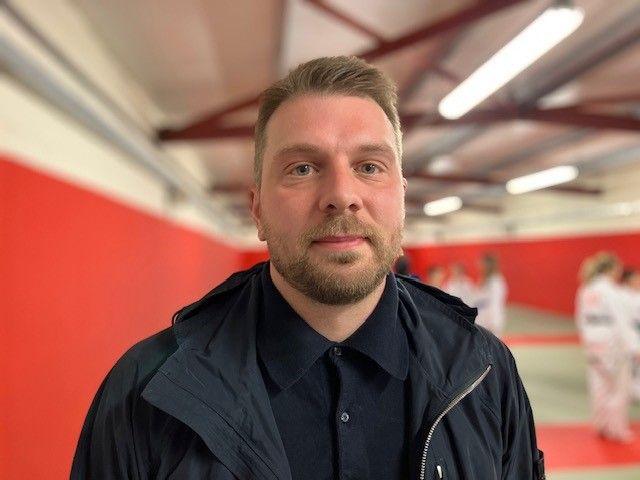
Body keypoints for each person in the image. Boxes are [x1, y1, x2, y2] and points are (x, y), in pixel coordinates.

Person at [71, 56, 544, 479]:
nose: (341, 193)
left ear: (401, 197)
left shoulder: (484, 372)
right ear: (256, 210)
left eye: (369, 166)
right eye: (302, 168)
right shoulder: (146, 392)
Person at [575, 252, 636, 442]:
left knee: (599, 385)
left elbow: (580, 318)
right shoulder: (610, 291)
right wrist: (633, 347)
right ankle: (616, 429)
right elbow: (621, 321)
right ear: (611, 269)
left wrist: (587, 340)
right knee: (619, 388)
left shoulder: (586, 289)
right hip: (612, 343)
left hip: (593, 342)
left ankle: (601, 424)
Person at [475, 253, 508, 337]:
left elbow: (495, 302)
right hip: (482, 320)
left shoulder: (496, 281)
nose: (480, 267)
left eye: (482, 264)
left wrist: (493, 321)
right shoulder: (484, 280)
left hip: (492, 320)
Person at [620, 267, 640, 401]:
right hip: (627, 331)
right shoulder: (621, 295)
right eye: (635, 279)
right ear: (627, 281)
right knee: (628, 362)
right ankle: (628, 389)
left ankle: (636, 388)